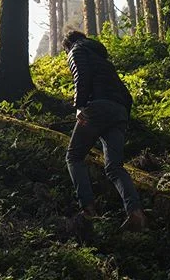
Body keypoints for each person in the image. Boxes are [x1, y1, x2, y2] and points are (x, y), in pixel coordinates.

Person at [63, 29, 147, 231]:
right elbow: (126, 95)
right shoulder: (103, 61)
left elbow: (81, 77)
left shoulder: (76, 50)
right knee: (114, 167)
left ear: (68, 45)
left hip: (97, 108)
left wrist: (80, 106)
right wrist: (122, 118)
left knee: (74, 157)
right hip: (118, 112)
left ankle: (89, 210)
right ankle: (135, 213)